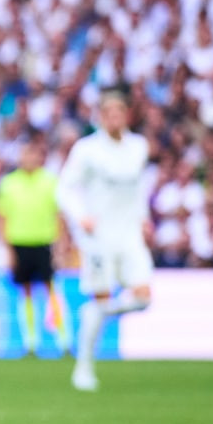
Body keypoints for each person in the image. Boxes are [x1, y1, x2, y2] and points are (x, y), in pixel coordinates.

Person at [55, 90, 153, 392]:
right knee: (101, 296)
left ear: (127, 115)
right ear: (100, 116)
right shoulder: (87, 150)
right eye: (108, 112)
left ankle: (97, 312)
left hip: (129, 234)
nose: (114, 118)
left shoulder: (138, 146)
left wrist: (144, 217)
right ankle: (84, 367)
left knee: (143, 298)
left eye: (119, 112)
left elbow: (137, 189)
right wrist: (80, 216)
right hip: (98, 238)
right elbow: (63, 189)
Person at [0, 139, 69, 357]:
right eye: (26, 154)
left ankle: (63, 342)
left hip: (44, 242)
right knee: (25, 291)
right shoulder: (9, 183)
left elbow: (59, 214)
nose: (29, 159)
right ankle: (31, 343)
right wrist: (7, 248)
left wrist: (61, 243)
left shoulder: (50, 181)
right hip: (19, 242)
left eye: (33, 154)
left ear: (40, 157)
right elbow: (2, 217)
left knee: (52, 290)